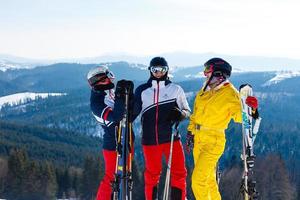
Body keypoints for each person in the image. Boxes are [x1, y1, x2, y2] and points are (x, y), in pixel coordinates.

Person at [185, 58, 259, 200]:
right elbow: (195, 115)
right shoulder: (204, 91)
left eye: (208, 70)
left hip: (213, 141)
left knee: (198, 181)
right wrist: (190, 133)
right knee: (209, 180)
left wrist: (252, 109)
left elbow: (241, 116)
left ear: (218, 74)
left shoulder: (230, 94)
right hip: (199, 139)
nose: (205, 73)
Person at [132, 57, 191, 200]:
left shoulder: (175, 89)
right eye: (155, 70)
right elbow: (132, 114)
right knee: (152, 174)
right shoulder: (142, 90)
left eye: (162, 70)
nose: (158, 73)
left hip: (171, 138)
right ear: (150, 71)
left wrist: (181, 114)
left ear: (167, 70)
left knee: (179, 172)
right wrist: (123, 102)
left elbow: (187, 111)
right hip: (150, 140)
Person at [87, 66, 134, 200]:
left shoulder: (108, 92)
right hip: (113, 144)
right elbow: (117, 116)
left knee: (126, 175)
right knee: (111, 177)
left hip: (126, 139)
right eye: (107, 78)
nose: (110, 80)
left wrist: (129, 95)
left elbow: (129, 113)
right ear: (99, 80)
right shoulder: (96, 103)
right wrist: (120, 96)